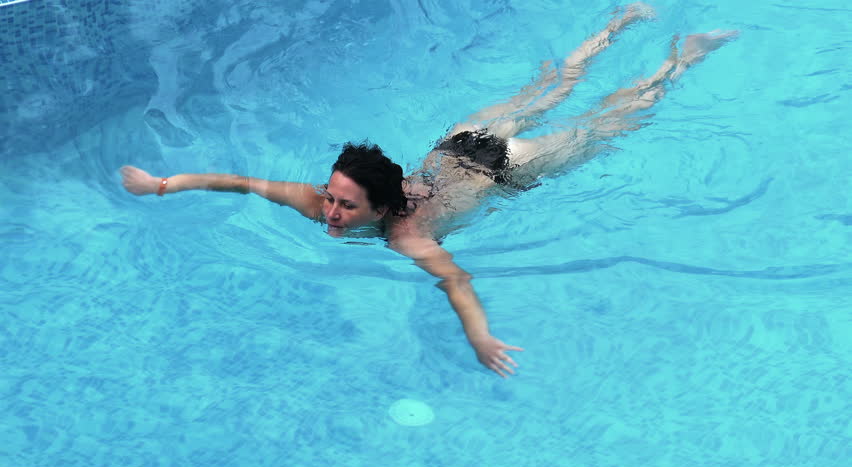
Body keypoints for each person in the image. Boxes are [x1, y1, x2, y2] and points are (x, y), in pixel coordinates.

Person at [121, 3, 736, 378]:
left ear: (383, 207)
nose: (330, 213)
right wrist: (163, 185)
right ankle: (620, 19)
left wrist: (479, 335)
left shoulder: (405, 235)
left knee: (606, 119)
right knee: (553, 85)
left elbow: (456, 280)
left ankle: (679, 59)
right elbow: (238, 181)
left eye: (345, 205)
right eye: (331, 198)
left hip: (504, 166)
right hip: (458, 142)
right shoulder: (317, 202)